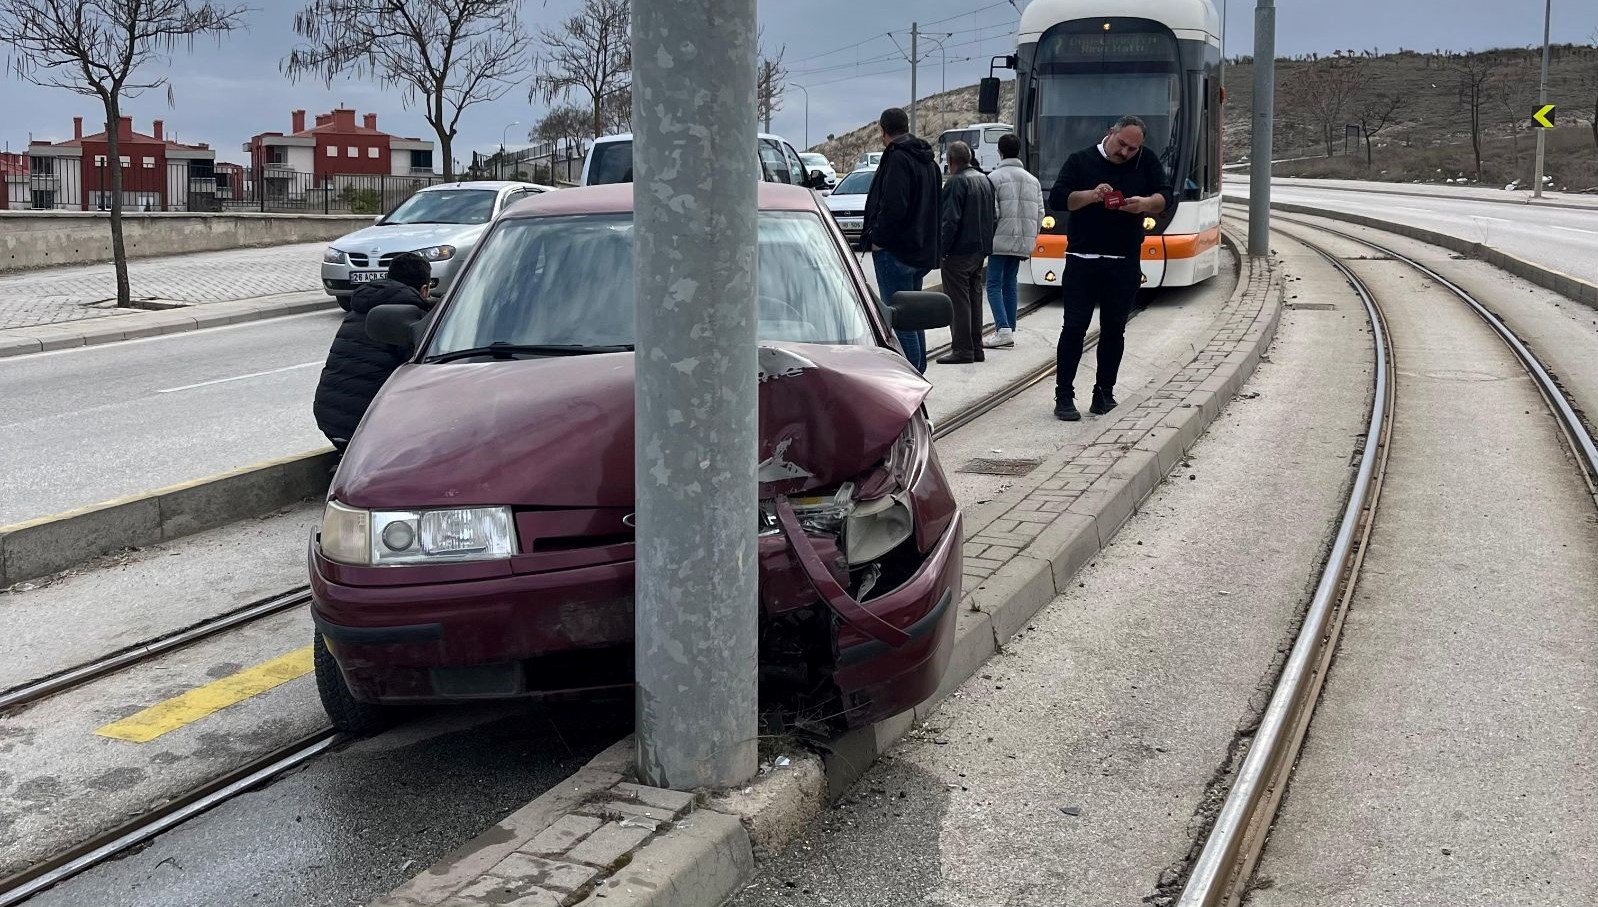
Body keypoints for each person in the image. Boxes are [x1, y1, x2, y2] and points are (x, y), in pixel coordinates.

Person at [1047, 115, 1173, 421]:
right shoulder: (1080, 160)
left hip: (1123, 261)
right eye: (1122, 145)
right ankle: (1064, 396)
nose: (1126, 153)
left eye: (1133, 148)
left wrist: (1146, 203)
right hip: (1082, 260)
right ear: (1109, 134)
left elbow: (1165, 196)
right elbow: (1059, 199)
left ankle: (1103, 393)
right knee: (1074, 328)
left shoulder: (1147, 160)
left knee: (1114, 330)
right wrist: (1090, 196)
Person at [313, 252, 433, 452]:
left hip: (328, 416)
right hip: (365, 424)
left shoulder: (360, 308)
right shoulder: (410, 317)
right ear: (424, 289)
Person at [858, 107, 942, 373]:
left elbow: (894, 205)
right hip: (920, 250)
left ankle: (911, 375)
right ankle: (919, 370)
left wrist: (878, 239)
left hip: (895, 251)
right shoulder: (928, 160)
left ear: (883, 131)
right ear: (906, 126)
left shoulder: (896, 158)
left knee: (900, 318)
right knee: (914, 317)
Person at [935, 140, 997, 365]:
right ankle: (975, 347)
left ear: (950, 161)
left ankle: (962, 349)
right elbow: (994, 216)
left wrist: (943, 249)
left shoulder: (956, 183)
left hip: (959, 251)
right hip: (979, 249)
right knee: (974, 298)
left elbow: (950, 220)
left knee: (959, 300)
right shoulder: (984, 180)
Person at [985, 133, 1044, 350]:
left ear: (999, 152)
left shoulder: (994, 178)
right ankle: (1010, 326)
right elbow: (1039, 213)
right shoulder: (1033, 180)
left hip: (999, 240)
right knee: (1010, 282)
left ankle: (1003, 330)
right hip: (1022, 241)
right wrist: (1031, 237)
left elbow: (993, 213)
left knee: (993, 284)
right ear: (1019, 151)